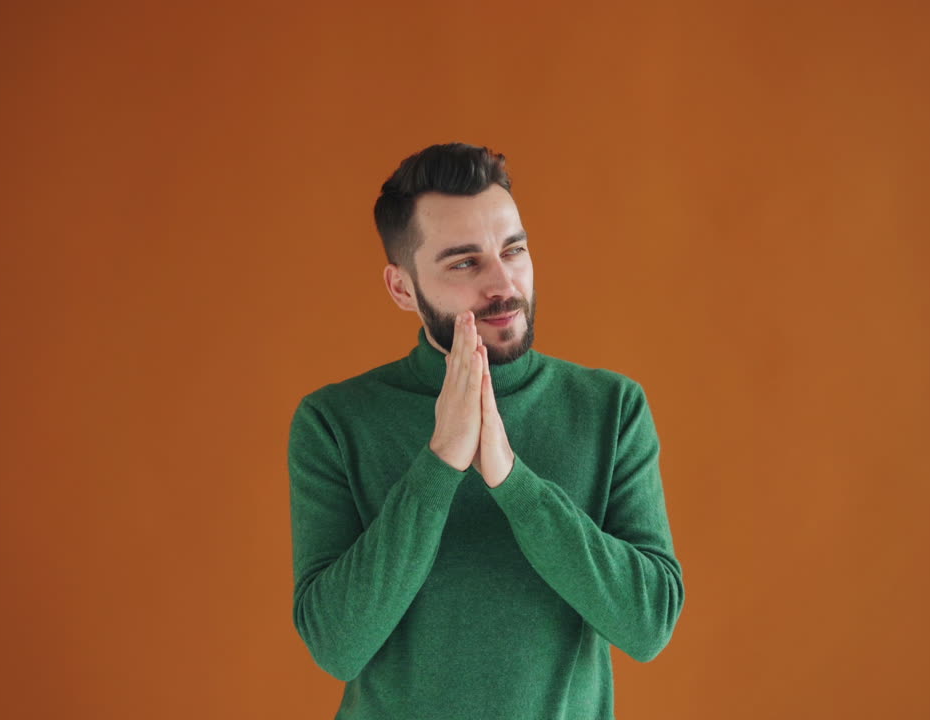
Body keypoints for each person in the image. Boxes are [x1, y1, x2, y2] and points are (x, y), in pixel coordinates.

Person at [288, 143, 684, 719]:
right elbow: (336, 644)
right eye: (464, 262)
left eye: (513, 250)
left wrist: (512, 481)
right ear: (402, 288)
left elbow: (648, 625)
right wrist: (440, 462)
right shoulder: (334, 422)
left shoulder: (611, 408)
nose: (503, 283)